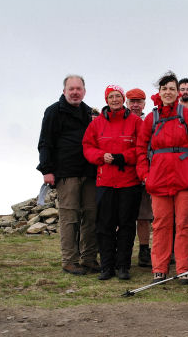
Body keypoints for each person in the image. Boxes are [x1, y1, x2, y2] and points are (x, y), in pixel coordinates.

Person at [136, 71, 188, 284]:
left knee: (184, 223)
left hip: (185, 180)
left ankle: (184, 268)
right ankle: (160, 268)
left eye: (172, 89)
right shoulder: (151, 118)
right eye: (164, 88)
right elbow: (140, 149)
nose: (168, 92)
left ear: (178, 93)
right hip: (158, 180)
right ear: (159, 92)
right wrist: (145, 176)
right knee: (160, 225)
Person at [36, 75, 99, 276]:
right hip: (66, 173)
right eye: (71, 89)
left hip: (89, 172)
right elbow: (45, 142)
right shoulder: (53, 111)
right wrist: (47, 170)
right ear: (64, 91)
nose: (75, 92)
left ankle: (89, 258)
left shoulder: (90, 113)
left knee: (91, 216)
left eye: (78, 89)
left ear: (84, 91)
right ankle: (70, 260)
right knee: (69, 218)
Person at [83, 85, 143, 280]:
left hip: (129, 182)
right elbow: (88, 147)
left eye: (118, 96)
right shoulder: (96, 124)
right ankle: (107, 266)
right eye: (111, 96)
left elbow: (142, 148)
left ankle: (123, 265)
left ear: (123, 98)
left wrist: (122, 157)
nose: (115, 99)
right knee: (105, 226)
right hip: (106, 182)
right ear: (106, 99)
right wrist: (102, 156)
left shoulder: (135, 122)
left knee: (126, 225)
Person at [126, 88, 153, 268]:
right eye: (132, 101)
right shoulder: (122, 120)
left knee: (144, 216)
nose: (135, 105)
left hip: (145, 175)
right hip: (126, 174)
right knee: (123, 217)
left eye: (139, 101)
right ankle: (122, 250)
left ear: (144, 103)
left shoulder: (150, 121)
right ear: (127, 103)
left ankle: (144, 250)